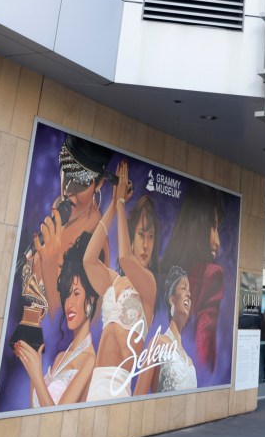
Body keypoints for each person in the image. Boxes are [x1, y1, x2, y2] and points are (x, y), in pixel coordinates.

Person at [83, 162, 159, 400]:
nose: (146, 244)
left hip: (118, 385)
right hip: (96, 381)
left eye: (151, 237)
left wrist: (121, 204)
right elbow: (88, 259)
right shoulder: (113, 281)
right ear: (132, 237)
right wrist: (114, 208)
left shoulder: (149, 285)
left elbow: (125, 259)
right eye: (140, 235)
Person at [31, 135, 113, 320]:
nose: (68, 191)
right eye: (67, 175)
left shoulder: (94, 242)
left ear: (99, 184)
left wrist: (49, 263)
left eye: (81, 182)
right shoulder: (61, 210)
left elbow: (66, 324)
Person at [13, 231, 98, 406]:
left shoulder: (89, 360)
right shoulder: (60, 357)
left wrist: (36, 374)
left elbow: (56, 418)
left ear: (90, 300)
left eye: (76, 293)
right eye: (67, 295)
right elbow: (34, 410)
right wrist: (32, 374)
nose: (70, 304)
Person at [160, 185, 225, 373]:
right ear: (197, 224)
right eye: (213, 226)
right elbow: (204, 360)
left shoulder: (164, 270)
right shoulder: (211, 275)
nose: (217, 241)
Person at [136, 266, 197, 394]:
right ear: (172, 299)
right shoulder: (158, 343)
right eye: (184, 288)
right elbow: (138, 395)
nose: (189, 294)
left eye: (190, 293)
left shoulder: (189, 361)